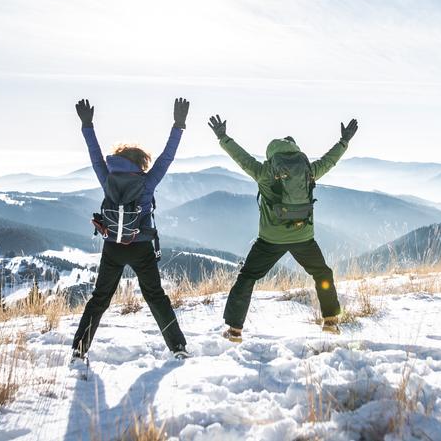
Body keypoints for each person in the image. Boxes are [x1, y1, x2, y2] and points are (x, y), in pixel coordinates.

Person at [208, 113, 358, 342]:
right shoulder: (308, 171)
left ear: (272, 154)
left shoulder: (265, 172)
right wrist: (344, 141)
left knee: (247, 277)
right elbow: (329, 161)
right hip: (303, 237)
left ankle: (235, 329)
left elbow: (242, 158)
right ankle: (330, 320)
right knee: (322, 273)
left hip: (270, 240)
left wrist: (223, 137)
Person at [70, 97, 191, 361]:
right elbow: (167, 158)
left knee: (99, 299)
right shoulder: (146, 183)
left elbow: (94, 156)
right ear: (140, 162)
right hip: (141, 246)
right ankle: (178, 348)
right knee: (155, 297)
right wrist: (178, 125)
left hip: (113, 246)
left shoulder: (108, 179)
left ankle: (79, 350)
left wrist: (87, 125)